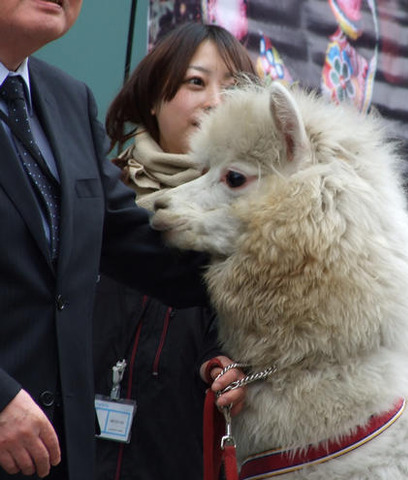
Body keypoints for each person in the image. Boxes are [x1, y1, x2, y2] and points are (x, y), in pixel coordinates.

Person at [0, 3, 243, 479]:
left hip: (56, 457)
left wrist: (290, 265)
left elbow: (137, 244)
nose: (215, 101)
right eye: (197, 82)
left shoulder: (67, 99)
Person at [92, 22, 256, 480]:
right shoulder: (96, 197)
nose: (215, 101)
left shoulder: (257, 223)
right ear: (153, 98)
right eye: (196, 82)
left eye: (233, 88)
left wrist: (225, 365)